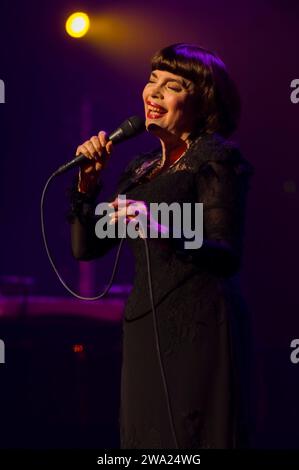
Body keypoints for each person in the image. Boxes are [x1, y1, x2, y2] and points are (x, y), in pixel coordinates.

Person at [67, 43, 255, 449]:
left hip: (199, 327)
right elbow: (87, 249)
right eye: (153, 80)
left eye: (172, 86)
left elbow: (226, 252)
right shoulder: (140, 169)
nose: (153, 93)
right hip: (143, 326)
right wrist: (88, 187)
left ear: (202, 100)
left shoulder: (216, 158)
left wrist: (161, 226)